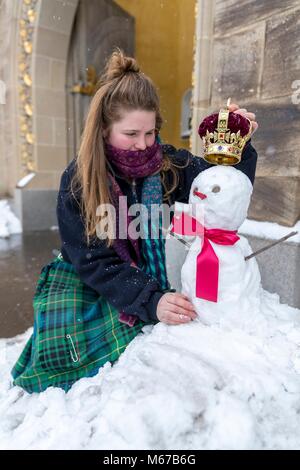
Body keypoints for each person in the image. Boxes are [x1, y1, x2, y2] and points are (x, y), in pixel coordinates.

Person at [11, 49, 258, 393]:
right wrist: (151, 300)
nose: (143, 145)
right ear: (103, 130)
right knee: (68, 367)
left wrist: (241, 144)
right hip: (90, 282)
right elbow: (94, 262)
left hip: (141, 281)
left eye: (150, 133)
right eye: (131, 134)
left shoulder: (167, 163)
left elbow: (225, 187)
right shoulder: (80, 180)